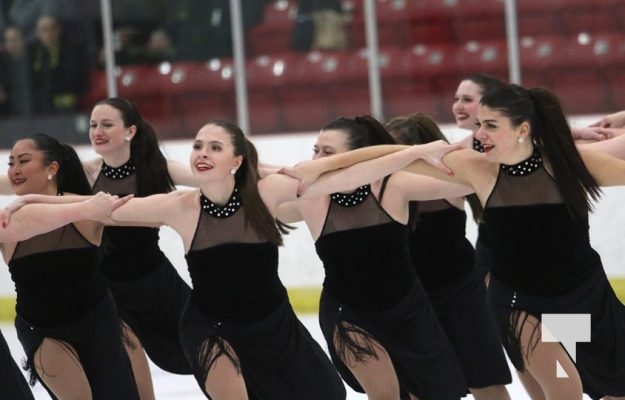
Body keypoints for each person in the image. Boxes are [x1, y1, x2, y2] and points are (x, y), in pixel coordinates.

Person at [298, 84, 625, 399]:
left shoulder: (571, 165)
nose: (478, 134)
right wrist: (330, 164)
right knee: (564, 388)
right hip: (521, 304)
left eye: (491, 126)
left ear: (522, 129)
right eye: (479, 124)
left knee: (608, 387)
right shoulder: (478, 170)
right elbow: (376, 162)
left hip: (579, 298)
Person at [107, 119, 353, 399]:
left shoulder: (266, 193)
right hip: (210, 329)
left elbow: (350, 177)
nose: (202, 153)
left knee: (328, 394)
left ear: (236, 161)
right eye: (197, 146)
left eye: (214, 147)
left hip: (273, 327)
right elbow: (105, 211)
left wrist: (409, 154)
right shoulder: (179, 207)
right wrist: (56, 204)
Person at [276, 116, 475, 399]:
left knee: (460, 388)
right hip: (348, 314)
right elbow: (265, 202)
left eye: (328, 153)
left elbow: (471, 182)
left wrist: (416, 154)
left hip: (410, 310)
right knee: (385, 395)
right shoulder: (308, 197)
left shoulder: (394, 185)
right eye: (315, 151)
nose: (316, 160)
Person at [384, 113, 512, 400]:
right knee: (421, 386)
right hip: (411, 298)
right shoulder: (384, 186)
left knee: (485, 378)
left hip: (461, 292)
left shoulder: (449, 174)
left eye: (401, 152)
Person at [3, 133, 140, 399]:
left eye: (23, 161)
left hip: (97, 322)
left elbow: (141, 210)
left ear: (52, 168)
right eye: (10, 163)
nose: (14, 170)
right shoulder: (9, 219)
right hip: (41, 329)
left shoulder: (90, 208)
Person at [82, 97, 195, 400]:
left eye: (107, 124)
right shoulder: (86, 173)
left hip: (158, 286)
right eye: (93, 125)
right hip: (111, 292)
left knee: (208, 350)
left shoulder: (157, 169)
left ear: (130, 131)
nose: (97, 131)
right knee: (129, 371)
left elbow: (211, 178)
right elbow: (21, 183)